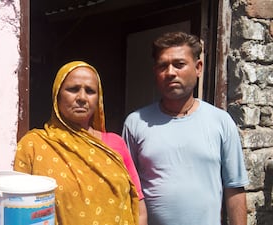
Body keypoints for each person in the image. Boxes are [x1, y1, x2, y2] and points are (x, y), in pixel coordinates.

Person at [122, 31, 249, 225]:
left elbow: (234, 189)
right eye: (163, 66)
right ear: (155, 71)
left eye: (179, 64)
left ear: (198, 68)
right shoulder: (136, 123)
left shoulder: (220, 122)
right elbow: (128, 189)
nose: (170, 72)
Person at [14, 61, 148, 225]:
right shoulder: (34, 145)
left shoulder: (115, 144)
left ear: (98, 99)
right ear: (57, 95)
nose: (82, 98)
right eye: (73, 89)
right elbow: (18, 209)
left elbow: (139, 206)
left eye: (90, 91)